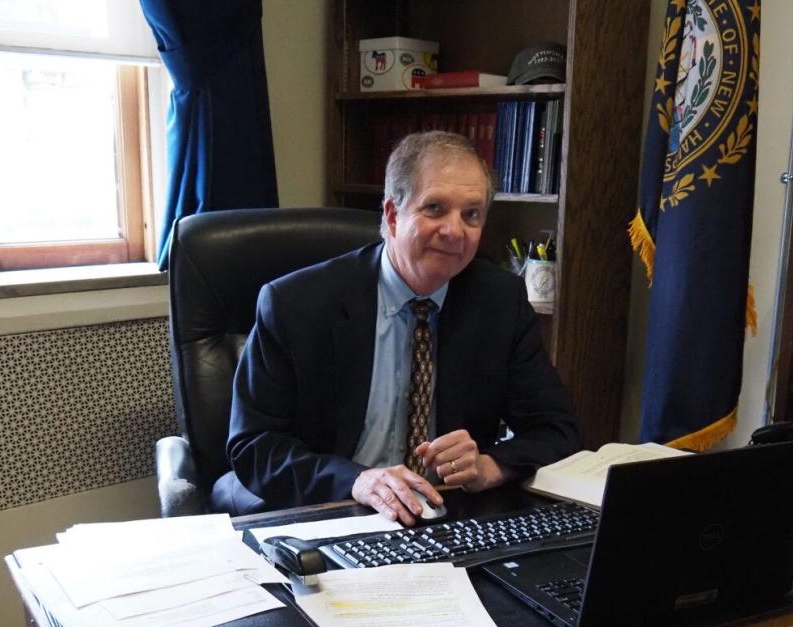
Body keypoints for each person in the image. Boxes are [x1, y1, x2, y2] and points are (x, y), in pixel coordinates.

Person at [223, 130, 580, 521]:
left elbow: (556, 429)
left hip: (447, 516)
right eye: (435, 209)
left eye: (472, 214)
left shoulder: (500, 301)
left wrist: (487, 465)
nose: (454, 231)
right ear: (393, 215)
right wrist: (356, 481)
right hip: (335, 511)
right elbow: (254, 446)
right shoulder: (296, 304)